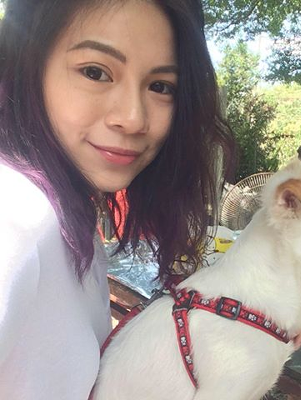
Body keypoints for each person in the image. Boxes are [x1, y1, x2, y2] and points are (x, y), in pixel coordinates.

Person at [0, 0, 235, 398]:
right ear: (28, 66)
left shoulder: (69, 219)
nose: (134, 118)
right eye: (95, 72)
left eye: (161, 86)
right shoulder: (17, 216)